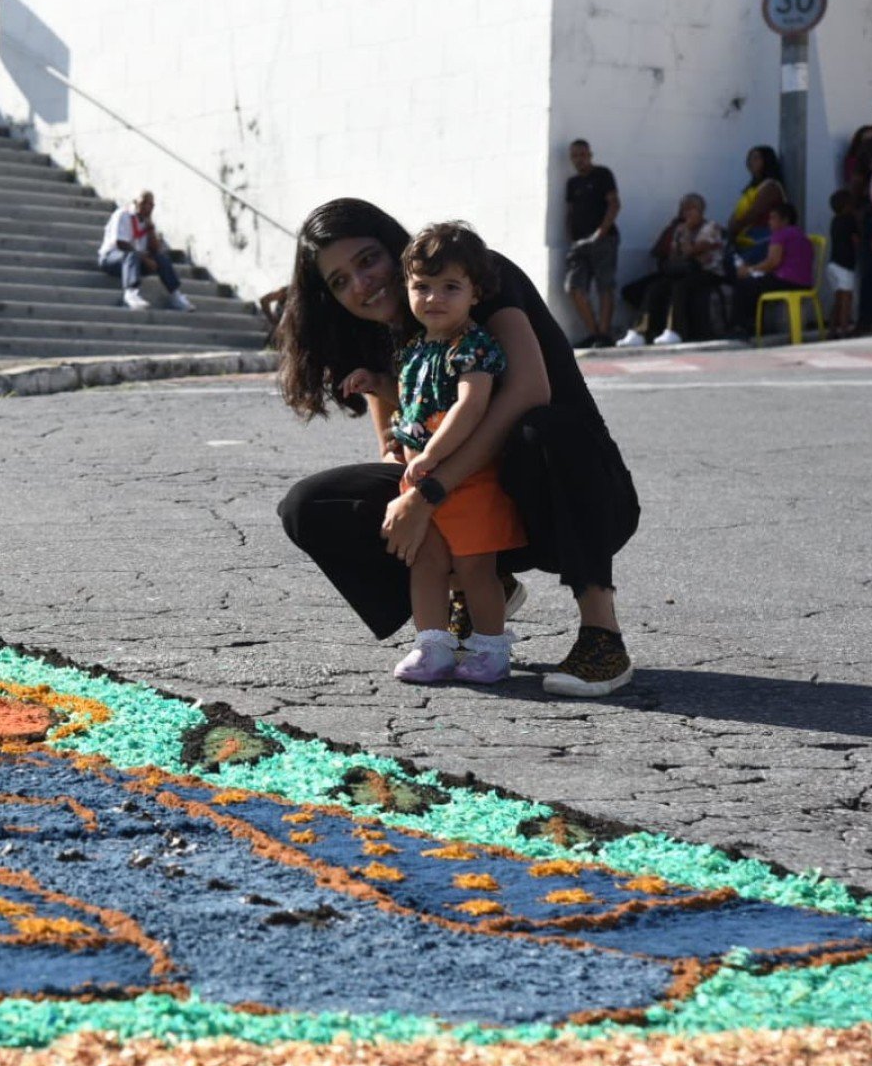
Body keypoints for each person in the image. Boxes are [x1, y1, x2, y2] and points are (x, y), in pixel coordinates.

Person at [276, 199, 639, 697]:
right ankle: (478, 583)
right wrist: (402, 492)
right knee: (311, 506)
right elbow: (396, 428)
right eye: (339, 281)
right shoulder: (392, 322)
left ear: (394, 246)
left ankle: (602, 633)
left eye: (366, 260)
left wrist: (429, 493)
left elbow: (530, 390)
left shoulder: (476, 276)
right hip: (461, 499)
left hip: (568, 497)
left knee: (545, 429)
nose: (360, 284)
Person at [334, 223, 526, 685]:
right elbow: (414, 401)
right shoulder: (418, 348)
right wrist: (375, 383)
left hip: (466, 476)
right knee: (426, 561)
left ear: (474, 293)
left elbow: (470, 405)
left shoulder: (473, 345)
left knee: (476, 566)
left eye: (450, 288)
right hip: (422, 470)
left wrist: (431, 454)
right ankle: (432, 644)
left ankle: (491, 649)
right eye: (422, 287)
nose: (434, 298)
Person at [614, 193, 724, 346]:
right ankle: (640, 331)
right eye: (684, 209)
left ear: (701, 210)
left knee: (679, 287)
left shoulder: (710, 227)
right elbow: (673, 256)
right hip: (685, 271)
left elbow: (690, 251)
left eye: (692, 209)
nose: (687, 213)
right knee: (655, 288)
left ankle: (675, 331)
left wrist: (685, 233)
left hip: (708, 272)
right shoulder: (679, 229)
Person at [562, 139, 620, 348]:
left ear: (590, 154)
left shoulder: (603, 174)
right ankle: (594, 332)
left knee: (605, 285)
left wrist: (600, 233)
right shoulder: (572, 183)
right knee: (574, 287)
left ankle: (604, 334)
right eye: (575, 156)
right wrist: (571, 239)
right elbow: (569, 213)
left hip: (603, 239)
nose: (579, 159)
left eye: (582, 155)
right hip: (579, 243)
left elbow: (614, 204)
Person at [97, 191, 194, 312]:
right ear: (135, 202)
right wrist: (144, 259)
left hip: (135, 261)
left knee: (161, 258)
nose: (147, 207)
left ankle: (175, 296)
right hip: (111, 258)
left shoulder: (146, 221)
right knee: (131, 254)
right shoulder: (123, 214)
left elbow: (155, 249)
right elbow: (121, 243)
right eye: (143, 203)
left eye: (150, 205)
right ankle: (131, 294)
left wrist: (150, 228)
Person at [729, 202, 815, 337]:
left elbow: (773, 262)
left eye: (773, 218)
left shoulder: (780, 234)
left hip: (787, 281)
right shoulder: (801, 234)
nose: (769, 222)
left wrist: (749, 270)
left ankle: (742, 327)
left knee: (744, 285)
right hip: (805, 283)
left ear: (785, 220)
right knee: (756, 284)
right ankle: (755, 326)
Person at [726, 146, 787, 267]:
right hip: (746, 236)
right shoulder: (752, 187)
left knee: (739, 267)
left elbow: (754, 213)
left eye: (755, 158)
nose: (750, 162)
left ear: (767, 161)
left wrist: (734, 228)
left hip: (764, 238)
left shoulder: (771, 186)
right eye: (749, 159)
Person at [827, 188, 860, 338]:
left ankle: (832, 329)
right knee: (847, 298)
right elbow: (855, 240)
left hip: (832, 264)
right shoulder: (850, 220)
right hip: (845, 265)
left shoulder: (834, 221)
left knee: (838, 299)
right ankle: (845, 329)